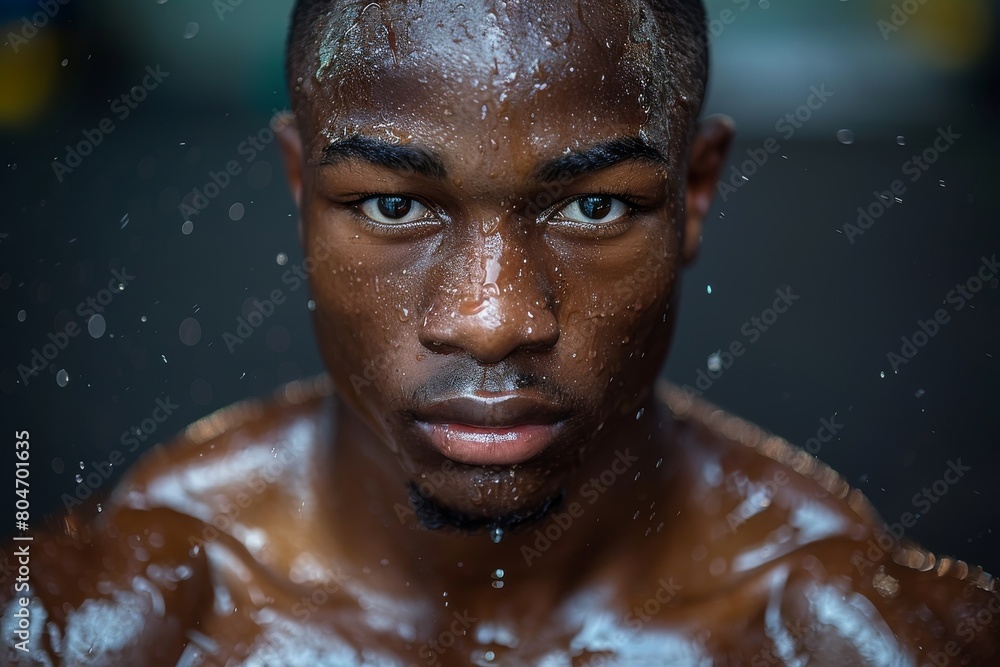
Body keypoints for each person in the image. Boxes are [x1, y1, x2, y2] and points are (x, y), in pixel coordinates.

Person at [4, 0, 999, 664]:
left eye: (593, 208)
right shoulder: (101, 625)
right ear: (300, 190)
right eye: (395, 205)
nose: (491, 322)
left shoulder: (849, 637)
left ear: (694, 195)